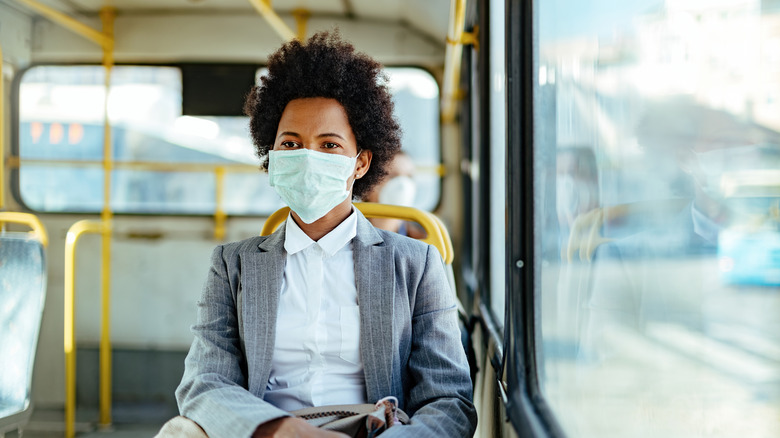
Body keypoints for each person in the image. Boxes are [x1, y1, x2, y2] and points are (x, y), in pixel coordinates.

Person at [165, 31, 476, 438]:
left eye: (329, 145)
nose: (307, 158)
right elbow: (204, 384)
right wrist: (284, 430)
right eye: (290, 143)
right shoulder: (233, 264)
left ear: (361, 162)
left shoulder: (416, 263)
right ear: (272, 157)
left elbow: (448, 400)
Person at [362, 151, 426, 238]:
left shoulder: (423, 240)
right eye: (393, 176)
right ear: (369, 185)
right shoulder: (349, 235)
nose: (403, 185)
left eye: (409, 176)